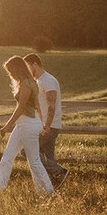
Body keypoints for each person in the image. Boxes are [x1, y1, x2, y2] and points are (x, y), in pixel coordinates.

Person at [0, 56, 55, 196]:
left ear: (16, 69)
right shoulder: (30, 82)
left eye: (10, 71)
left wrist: (7, 126)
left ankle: (48, 192)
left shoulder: (27, 84)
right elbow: (37, 106)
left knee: (34, 161)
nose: (10, 74)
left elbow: (21, 107)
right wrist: (42, 124)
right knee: (7, 157)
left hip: (27, 125)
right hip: (25, 125)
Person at [23, 53, 67, 186]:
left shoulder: (47, 80)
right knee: (48, 158)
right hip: (45, 125)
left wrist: (46, 126)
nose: (27, 71)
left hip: (49, 126)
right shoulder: (40, 81)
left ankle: (59, 171)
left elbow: (51, 106)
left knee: (26, 150)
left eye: (27, 67)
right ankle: (52, 188)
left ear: (35, 64)